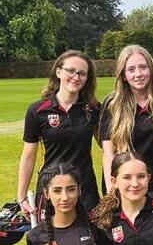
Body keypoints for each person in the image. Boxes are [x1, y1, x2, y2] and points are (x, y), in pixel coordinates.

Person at [18, 50, 100, 220]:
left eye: (82, 73)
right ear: (58, 71)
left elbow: (108, 147)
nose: (76, 77)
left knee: (89, 237)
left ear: (87, 78)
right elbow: (28, 156)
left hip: (84, 189)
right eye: (71, 71)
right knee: (50, 236)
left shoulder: (94, 109)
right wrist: (22, 196)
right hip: (50, 187)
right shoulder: (38, 110)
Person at [99, 45, 153, 200]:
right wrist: (110, 189)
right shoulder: (113, 104)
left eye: (143, 67)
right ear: (123, 75)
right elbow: (109, 152)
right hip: (124, 185)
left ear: (151, 70)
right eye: (131, 69)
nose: (138, 74)